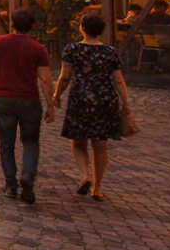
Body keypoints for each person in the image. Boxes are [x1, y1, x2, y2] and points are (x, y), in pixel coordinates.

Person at [50, 12, 130, 203]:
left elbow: (65, 76)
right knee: (100, 145)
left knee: (78, 142)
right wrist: (126, 103)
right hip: (105, 99)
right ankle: (97, 187)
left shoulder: (72, 50)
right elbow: (119, 80)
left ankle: (84, 175)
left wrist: (56, 95)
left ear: (82, 28)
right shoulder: (110, 52)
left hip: (80, 98)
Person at [0, 9, 54, 204]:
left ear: (12, 23)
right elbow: (46, 80)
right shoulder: (38, 48)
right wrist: (50, 104)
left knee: (6, 142)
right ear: (31, 27)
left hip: (5, 98)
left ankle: (11, 185)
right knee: (30, 141)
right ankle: (28, 175)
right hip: (30, 101)